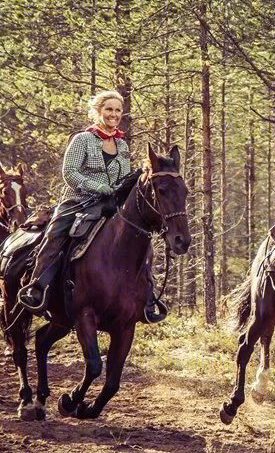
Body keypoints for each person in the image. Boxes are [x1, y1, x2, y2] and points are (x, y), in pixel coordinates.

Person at [18, 90, 166, 322]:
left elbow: (123, 179)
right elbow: (70, 173)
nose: (113, 114)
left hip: (111, 204)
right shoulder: (82, 140)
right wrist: (99, 187)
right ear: (98, 112)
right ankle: (37, 287)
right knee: (56, 233)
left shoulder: (122, 146)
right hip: (78, 200)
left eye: (117, 110)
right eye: (109, 109)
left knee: (140, 239)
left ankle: (147, 297)